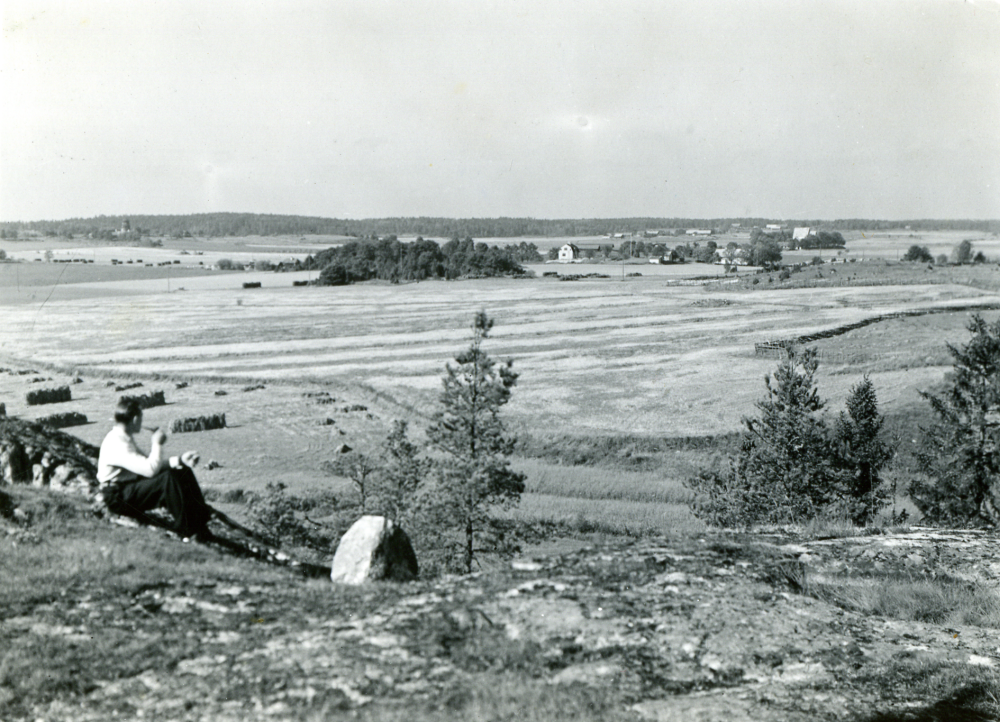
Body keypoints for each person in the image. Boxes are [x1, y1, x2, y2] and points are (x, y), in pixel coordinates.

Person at [97, 399, 211, 541]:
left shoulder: (123, 438)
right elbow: (151, 470)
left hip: (125, 489)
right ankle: (187, 532)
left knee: (182, 471)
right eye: (141, 418)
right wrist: (157, 444)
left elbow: (149, 464)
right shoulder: (117, 442)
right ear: (135, 419)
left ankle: (201, 523)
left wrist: (181, 460)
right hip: (117, 496)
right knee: (167, 479)